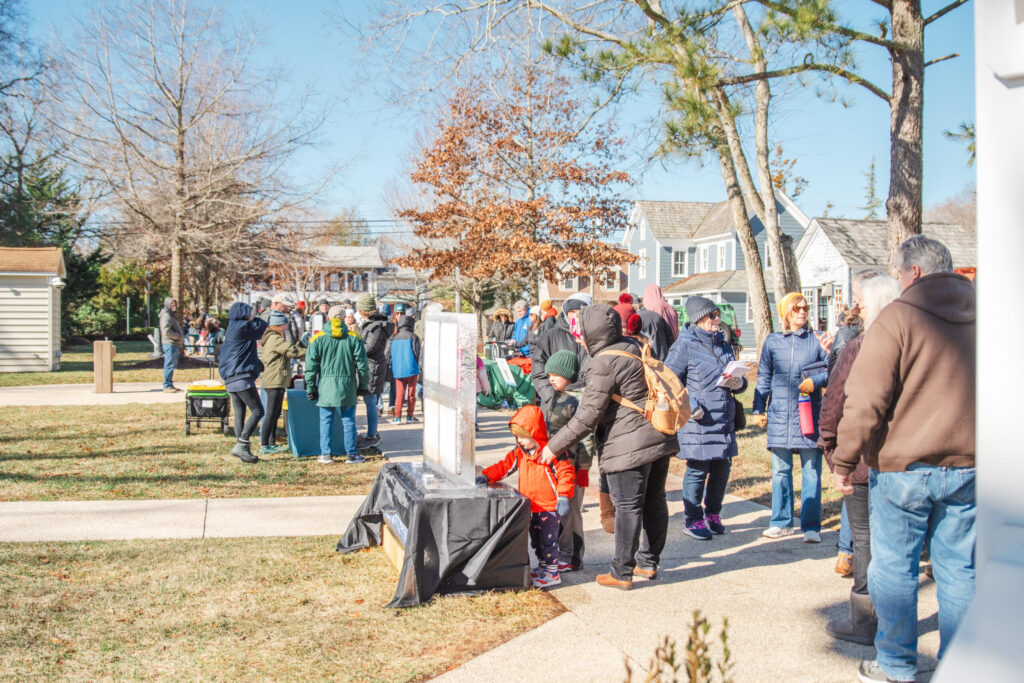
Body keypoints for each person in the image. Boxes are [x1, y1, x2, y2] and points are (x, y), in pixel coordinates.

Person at [835, 236, 975, 683]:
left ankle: (895, 664)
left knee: (895, 565)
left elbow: (865, 400)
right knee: (960, 570)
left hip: (903, 468)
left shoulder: (897, 317)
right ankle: (960, 665)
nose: (898, 279)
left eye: (899, 271)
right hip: (971, 463)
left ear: (914, 272)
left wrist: (844, 460)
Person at [540, 304, 679, 590]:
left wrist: (553, 447)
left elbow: (587, 416)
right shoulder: (634, 345)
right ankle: (648, 563)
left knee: (628, 506)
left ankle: (621, 572)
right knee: (654, 500)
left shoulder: (602, 362)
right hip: (658, 434)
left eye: (581, 331)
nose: (578, 337)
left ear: (594, 332)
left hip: (628, 443)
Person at [818, 272, 900, 647]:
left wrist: (832, 450)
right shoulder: (915, 345)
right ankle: (896, 622)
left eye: (862, 304)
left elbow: (836, 402)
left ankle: (865, 620)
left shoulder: (860, 347)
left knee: (865, 538)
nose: (858, 310)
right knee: (895, 542)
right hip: (906, 461)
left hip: (866, 459)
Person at [665, 296, 747, 540]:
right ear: (698, 319)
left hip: (724, 418)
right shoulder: (685, 345)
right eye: (712, 315)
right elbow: (669, 381)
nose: (717, 319)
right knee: (698, 470)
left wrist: (739, 382)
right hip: (698, 419)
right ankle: (693, 519)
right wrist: (691, 405)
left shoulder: (722, 344)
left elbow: (738, 380)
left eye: (717, 314)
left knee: (722, 470)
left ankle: (713, 513)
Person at [751, 292, 830, 543]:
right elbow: (763, 376)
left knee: (811, 472)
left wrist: (815, 381)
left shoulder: (817, 339)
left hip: (809, 414)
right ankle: (782, 522)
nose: (802, 312)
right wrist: (758, 408)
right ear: (785, 313)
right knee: (781, 471)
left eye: (805, 308)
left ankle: (811, 526)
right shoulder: (773, 342)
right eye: (796, 309)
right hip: (780, 415)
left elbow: (833, 368)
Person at [477, 405, 575, 589]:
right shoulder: (519, 453)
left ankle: (552, 572)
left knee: (548, 541)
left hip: (549, 507)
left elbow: (566, 474)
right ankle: (543, 567)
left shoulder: (552, 452)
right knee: (536, 540)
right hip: (531, 506)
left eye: (522, 436)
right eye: (516, 437)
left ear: (534, 432)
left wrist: (563, 496)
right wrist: (487, 475)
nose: (519, 441)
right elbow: (504, 466)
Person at [543, 349, 595, 572]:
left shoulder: (576, 400)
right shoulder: (557, 396)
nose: (551, 378)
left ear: (569, 374)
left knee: (571, 513)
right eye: (549, 375)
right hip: (557, 465)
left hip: (572, 467)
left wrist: (583, 469)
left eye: (556, 374)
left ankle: (573, 556)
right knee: (559, 512)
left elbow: (587, 437)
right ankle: (561, 550)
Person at [305, 305, 370, 464]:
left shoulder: (316, 339)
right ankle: (352, 454)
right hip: (347, 385)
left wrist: (311, 387)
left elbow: (310, 367)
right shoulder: (354, 338)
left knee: (325, 420)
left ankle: (326, 454)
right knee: (348, 421)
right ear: (343, 318)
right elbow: (362, 365)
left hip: (326, 386)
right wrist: (362, 385)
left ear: (328, 317)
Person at [218, 302, 269, 463]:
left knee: (240, 413)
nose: (252, 316)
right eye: (250, 313)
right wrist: (264, 312)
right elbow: (262, 326)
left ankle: (242, 448)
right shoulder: (243, 327)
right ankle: (242, 444)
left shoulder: (233, 327)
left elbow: (242, 352)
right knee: (258, 411)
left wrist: (256, 363)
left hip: (230, 379)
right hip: (241, 379)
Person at [257, 310, 307, 455]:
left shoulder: (273, 336)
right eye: (285, 325)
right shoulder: (275, 338)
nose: (286, 327)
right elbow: (291, 351)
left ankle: (271, 443)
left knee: (274, 412)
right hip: (275, 380)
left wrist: (301, 344)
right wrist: (309, 350)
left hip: (274, 378)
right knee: (271, 413)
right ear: (278, 325)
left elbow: (290, 349)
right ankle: (264, 444)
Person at [356, 294, 387, 448]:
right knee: (370, 401)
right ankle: (371, 433)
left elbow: (369, 348)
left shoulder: (376, 327)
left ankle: (372, 434)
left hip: (373, 367)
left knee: (370, 401)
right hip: (370, 366)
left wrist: (354, 347)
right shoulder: (372, 324)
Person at [386, 314, 421, 425]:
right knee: (411, 394)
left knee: (399, 394)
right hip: (411, 369)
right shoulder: (414, 337)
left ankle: (397, 417)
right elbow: (417, 353)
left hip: (399, 370)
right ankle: (410, 416)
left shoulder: (394, 337)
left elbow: (390, 354)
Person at [158, 297, 184, 392]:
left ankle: (170, 384)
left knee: (171, 365)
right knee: (169, 364)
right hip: (170, 343)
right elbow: (166, 331)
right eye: (172, 304)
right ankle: (167, 385)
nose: (174, 306)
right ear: (167, 304)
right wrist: (178, 336)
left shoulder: (170, 315)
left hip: (173, 344)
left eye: (174, 304)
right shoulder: (166, 315)